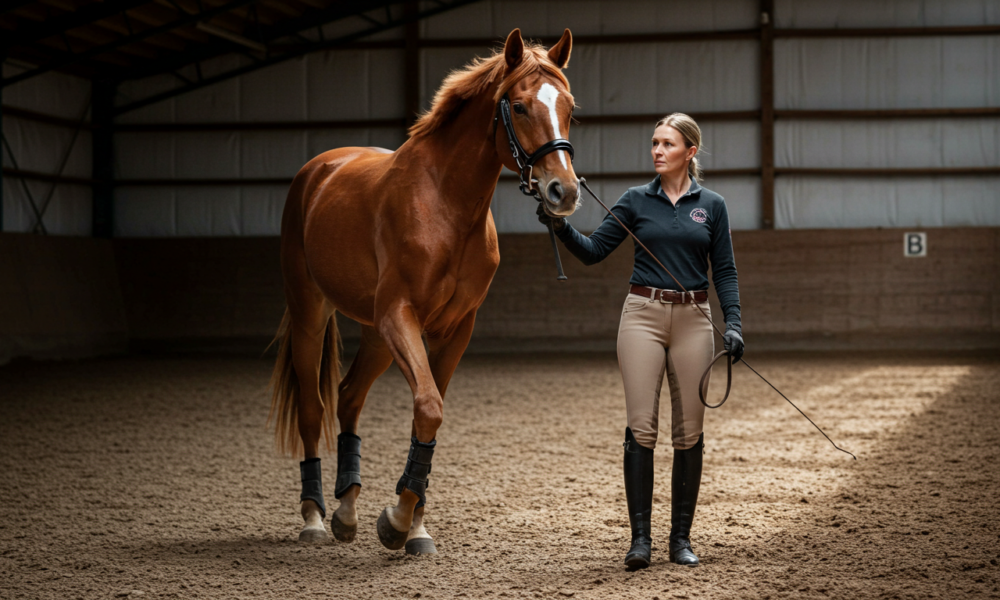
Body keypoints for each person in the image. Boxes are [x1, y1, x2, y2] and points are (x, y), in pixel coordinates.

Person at [538, 113, 744, 569]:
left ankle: (681, 541)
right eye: (654, 143)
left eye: (667, 144)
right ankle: (640, 541)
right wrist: (559, 226)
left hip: (694, 318)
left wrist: (734, 324)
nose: (656, 150)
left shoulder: (712, 205)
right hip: (642, 317)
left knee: (690, 432)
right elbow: (593, 253)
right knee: (641, 428)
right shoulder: (634, 201)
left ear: (689, 152)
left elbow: (724, 271)